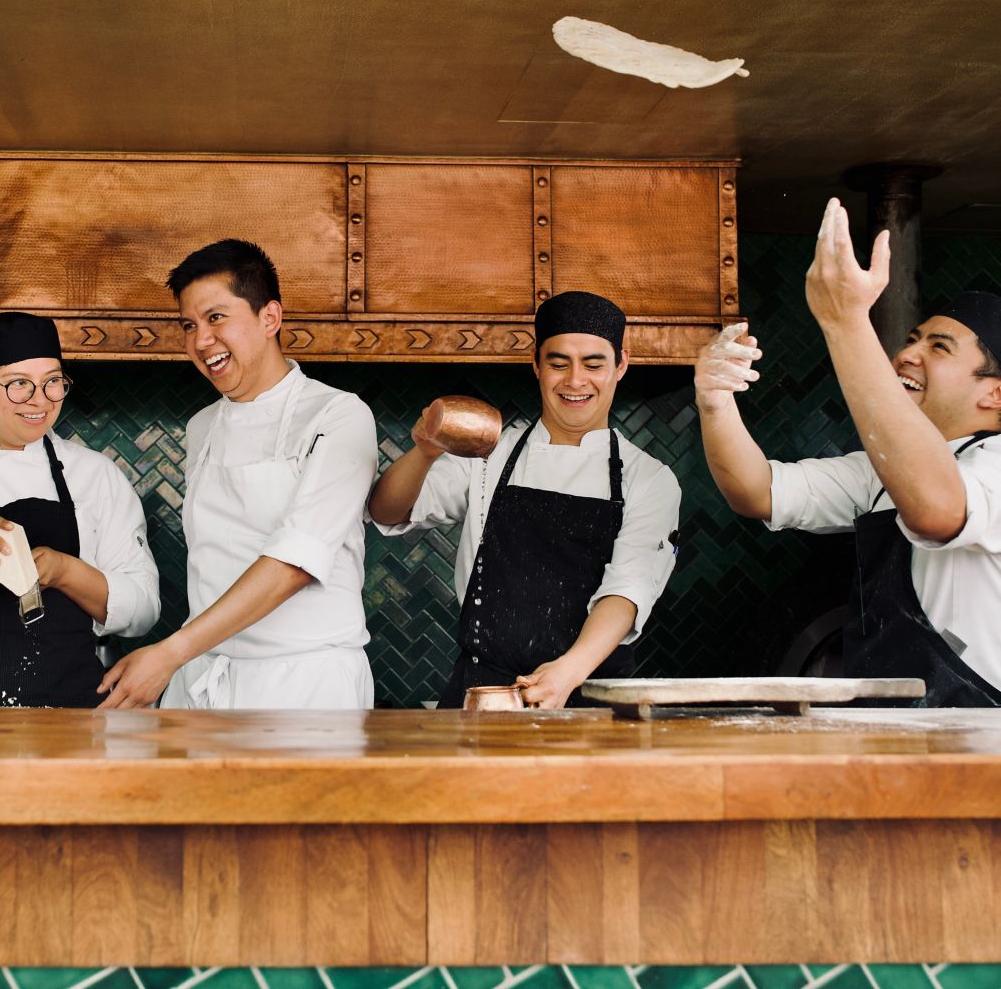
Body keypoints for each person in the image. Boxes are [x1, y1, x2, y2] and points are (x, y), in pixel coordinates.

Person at [695, 197, 1001, 706]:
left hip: (980, 739)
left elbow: (938, 510)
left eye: (938, 348)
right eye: (912, 339)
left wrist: (845, 322)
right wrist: (714, 400)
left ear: (995, 393)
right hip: (896, 733)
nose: (907, 353)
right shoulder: (882, 475)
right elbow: (758, 491)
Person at [99, 239, 378, 709]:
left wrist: (170, 653)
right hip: (204, 677)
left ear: (270, 318)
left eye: (216, 318)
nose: (200, 340)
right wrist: (181, 659)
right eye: (188, 325)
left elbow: (294, 563)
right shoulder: (202, 426)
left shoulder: (337, 415)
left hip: (304, 685)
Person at [368, 290, 681, 708]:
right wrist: (426, 449)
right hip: (485, 694)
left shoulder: (649, 478)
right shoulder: (490, 452)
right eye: (558, 363)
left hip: (590, 697)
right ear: (536, 363)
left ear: (620, 364)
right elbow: (387, 510)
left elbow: (627, 591)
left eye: (593, 364)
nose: (574, 381)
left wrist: (568, 671)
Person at [0, 312, 160, 707]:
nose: (40, 400)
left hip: (67, 717)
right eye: (19, 384)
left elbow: (144, 610)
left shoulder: (95, 475)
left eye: (53, 383)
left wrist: (66, 571)